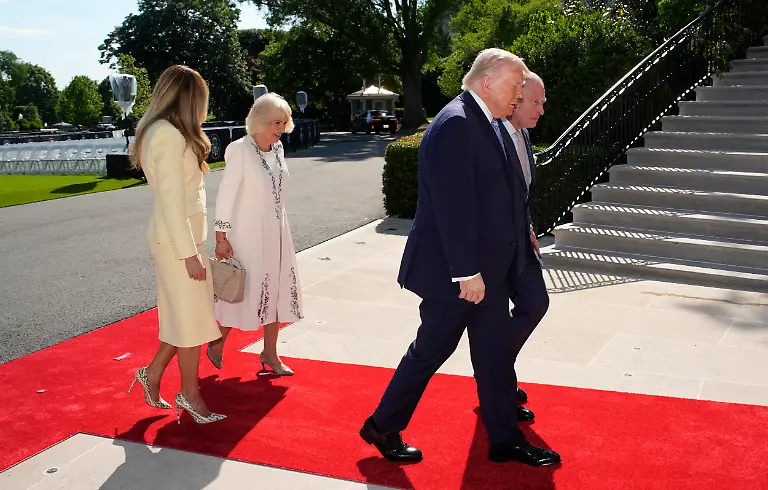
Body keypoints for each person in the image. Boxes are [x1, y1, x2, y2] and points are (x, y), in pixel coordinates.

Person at [359, 49, 561, 467]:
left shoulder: (486, 122)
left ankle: (504, 439)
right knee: (431, 350)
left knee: (493, 354)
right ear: (487, 82)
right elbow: (453, 208)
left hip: (486, 272)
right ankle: (382, 425)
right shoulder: (456, 124)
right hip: (459, 275)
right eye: (515, 86)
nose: (519, 94)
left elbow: (500, 196)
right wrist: (467, 272)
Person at [127, 65, 225, 425]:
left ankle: (153, 374)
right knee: (189, 321)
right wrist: (189, 255)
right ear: (188, 98)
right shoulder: (166, 135)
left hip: (183, 238)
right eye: (201, 100)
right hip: (175, 242)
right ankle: (191, 395)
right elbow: (170, 201)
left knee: (189, 317)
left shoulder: (168, 132)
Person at [207, 93, 303, 376]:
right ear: (260, 121)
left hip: (277, 233)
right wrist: (221, 237)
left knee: (275, 291)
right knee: (243, 289)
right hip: (247, 233)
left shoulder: (278, 149)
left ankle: (270, 354)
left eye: (285, 122)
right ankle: (218, 341)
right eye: (276, 122)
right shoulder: (239, 149)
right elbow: (226, 193)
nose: (281, 128)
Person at [501, 72, 548, 412]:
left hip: (521, 239)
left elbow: (520, 193)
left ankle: (496, 371)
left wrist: (527, 225)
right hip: (496, 246)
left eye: (543, 102)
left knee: (535, 303)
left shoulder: (524, 135)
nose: (541, 109)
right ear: (514, 101)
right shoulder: (491, 137)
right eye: (536, 102)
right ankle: (498, 380)